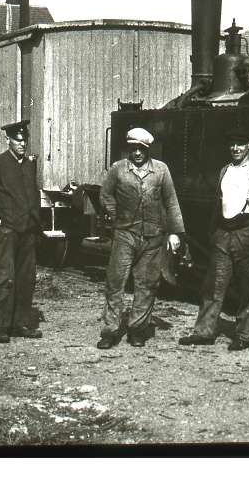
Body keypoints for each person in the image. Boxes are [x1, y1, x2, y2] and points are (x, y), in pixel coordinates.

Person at [180, 126, 249, 351]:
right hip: (223, 235)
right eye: (232, 145)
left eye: (240, 144)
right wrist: (214, 232)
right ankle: (204, 332)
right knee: (213, 285)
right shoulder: (225, 170)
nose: (235, 149)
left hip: (248, 234)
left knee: (247, 288)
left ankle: (244, 335)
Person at [98, 127, 185, 349]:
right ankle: (110, 332)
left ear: (148, 149)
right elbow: (105, 195)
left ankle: (137, 330)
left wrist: (175, 232)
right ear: (129, 148)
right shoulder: (118, 169)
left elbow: (171, 201)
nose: (137, 153)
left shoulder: (161, 171)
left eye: (141, 149)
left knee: (147, 284)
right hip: (125, 235)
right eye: (133, 148)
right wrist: (117, 215)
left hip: (153, 238)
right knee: (115, 283)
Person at [0, 120, 43, 344]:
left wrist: (36, 223)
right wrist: (0, 220)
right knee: (4, 278)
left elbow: (32, 195)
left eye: (25, 140)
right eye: (18, 140)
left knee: (26, 279)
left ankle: (19, 323)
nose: (22, 144)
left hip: (27, 230)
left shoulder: (29, 165)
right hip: (7, 231)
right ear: (8, 141)